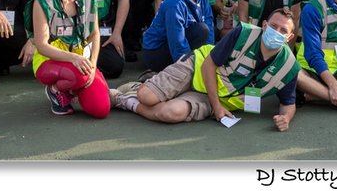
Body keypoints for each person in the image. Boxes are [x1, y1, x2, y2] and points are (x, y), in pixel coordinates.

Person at [114, 8, 300, 131]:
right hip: (198, 67)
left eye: (283, 31)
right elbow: (209, 65)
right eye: (273, 26)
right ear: (265, 25)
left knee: (169, 113)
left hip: (215, 97)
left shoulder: (289, 66)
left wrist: (286, 119)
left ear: (289, 37)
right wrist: (217, 107)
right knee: (146, 97)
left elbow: (288, 103)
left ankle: (128, 100)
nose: (277, 32)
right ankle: (142, 87)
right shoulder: (243, 33)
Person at [31, 0, 111, 118]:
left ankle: (73, 88)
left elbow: (95, 34)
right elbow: (41, 45)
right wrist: (74, 59)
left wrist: (93, 64)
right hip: (50, 60)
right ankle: (55, 89)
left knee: (101, 109)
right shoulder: (43, 1)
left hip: (81, 59)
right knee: (79, 76)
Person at [141, 0, 215, 73]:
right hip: (156, 51)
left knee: (204, 30)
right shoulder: (174, 4)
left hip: (176, 43)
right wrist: (187, 69)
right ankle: (174, 71)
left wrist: (209, 59)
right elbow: (177, 41)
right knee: (201, 29)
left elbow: (209, 28)